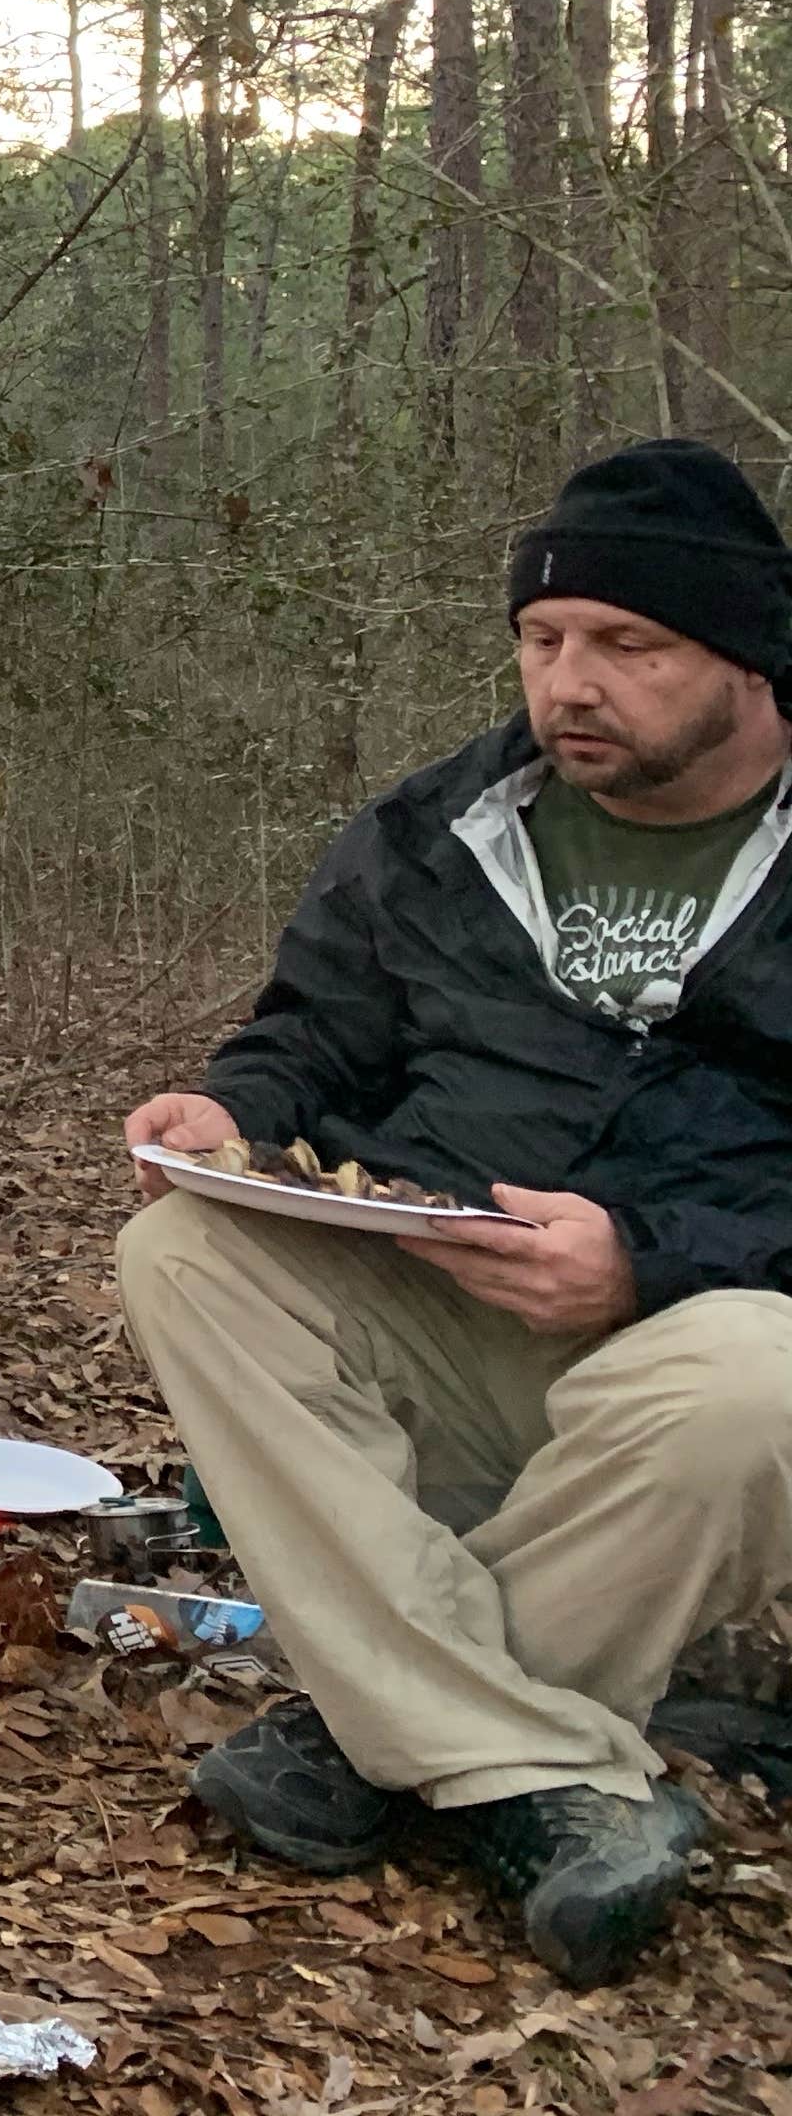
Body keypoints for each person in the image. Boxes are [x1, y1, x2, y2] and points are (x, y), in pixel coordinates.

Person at [118, 436, 792, 1988]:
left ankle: (376, 1741)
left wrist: (649, 1263)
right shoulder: (444, 827)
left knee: (751, 1378)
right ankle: (537, 1774)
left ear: (748, 655)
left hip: (691, 1371)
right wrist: (236, 1108)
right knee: (186, 1251)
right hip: (450, 1323)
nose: (574, 683)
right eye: (546, 641)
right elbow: (317, 1029)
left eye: (631, 645)